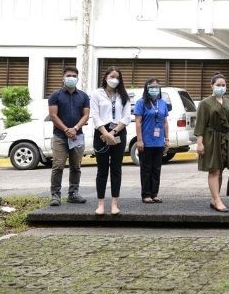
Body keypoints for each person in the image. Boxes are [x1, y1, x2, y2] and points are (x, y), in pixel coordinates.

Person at [194, 72, 229, 212]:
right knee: (214, 170)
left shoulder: (228, 103)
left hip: (225, 139)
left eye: (223, 85)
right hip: (211, 138)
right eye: (218, 85)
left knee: (220, 170)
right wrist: (200, 143)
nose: (221, 87)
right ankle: (217, 200)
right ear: (212, 86)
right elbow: (200, 124)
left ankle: (215, 199)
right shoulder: (205, 103)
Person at [90, 66, 132, 215]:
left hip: (118, 131)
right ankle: (100, 203)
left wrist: (113, 133)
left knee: (116, 169)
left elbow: (127, 117)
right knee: (102, 170)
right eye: (112, 76)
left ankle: (115, 203)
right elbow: (94, 115)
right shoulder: (96, 94)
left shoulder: (124, 95)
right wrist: (105, 133)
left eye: (117, 77)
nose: (114, 80)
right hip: (101, 132)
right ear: (106, 77)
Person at [47, 65, 90, 207]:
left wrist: (76, 128)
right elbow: (53, 116)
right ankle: (55, 195)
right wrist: (66, 130)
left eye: (74, 76)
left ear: (77, 78)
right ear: (63, 78)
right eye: (68, 76)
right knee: (58, 166)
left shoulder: (83, 96)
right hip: (60, 136)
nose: (71, 78)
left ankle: (73, 194)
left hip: (77, 137)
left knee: (76, 167)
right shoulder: (55, 95)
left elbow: (86, 115)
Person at [134, 77, 170, 204]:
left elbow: (165, 122)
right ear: (147, 88)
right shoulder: (141, 102)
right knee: (146, 169)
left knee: (157, 169)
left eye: (156, 87)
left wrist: (166, 139)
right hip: (146, 141)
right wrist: (139, 140)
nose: (154, 89)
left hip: (159, 142)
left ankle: (154, 194)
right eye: (151, 87)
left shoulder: (163, 103)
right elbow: (138, 122)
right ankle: (146, 194)